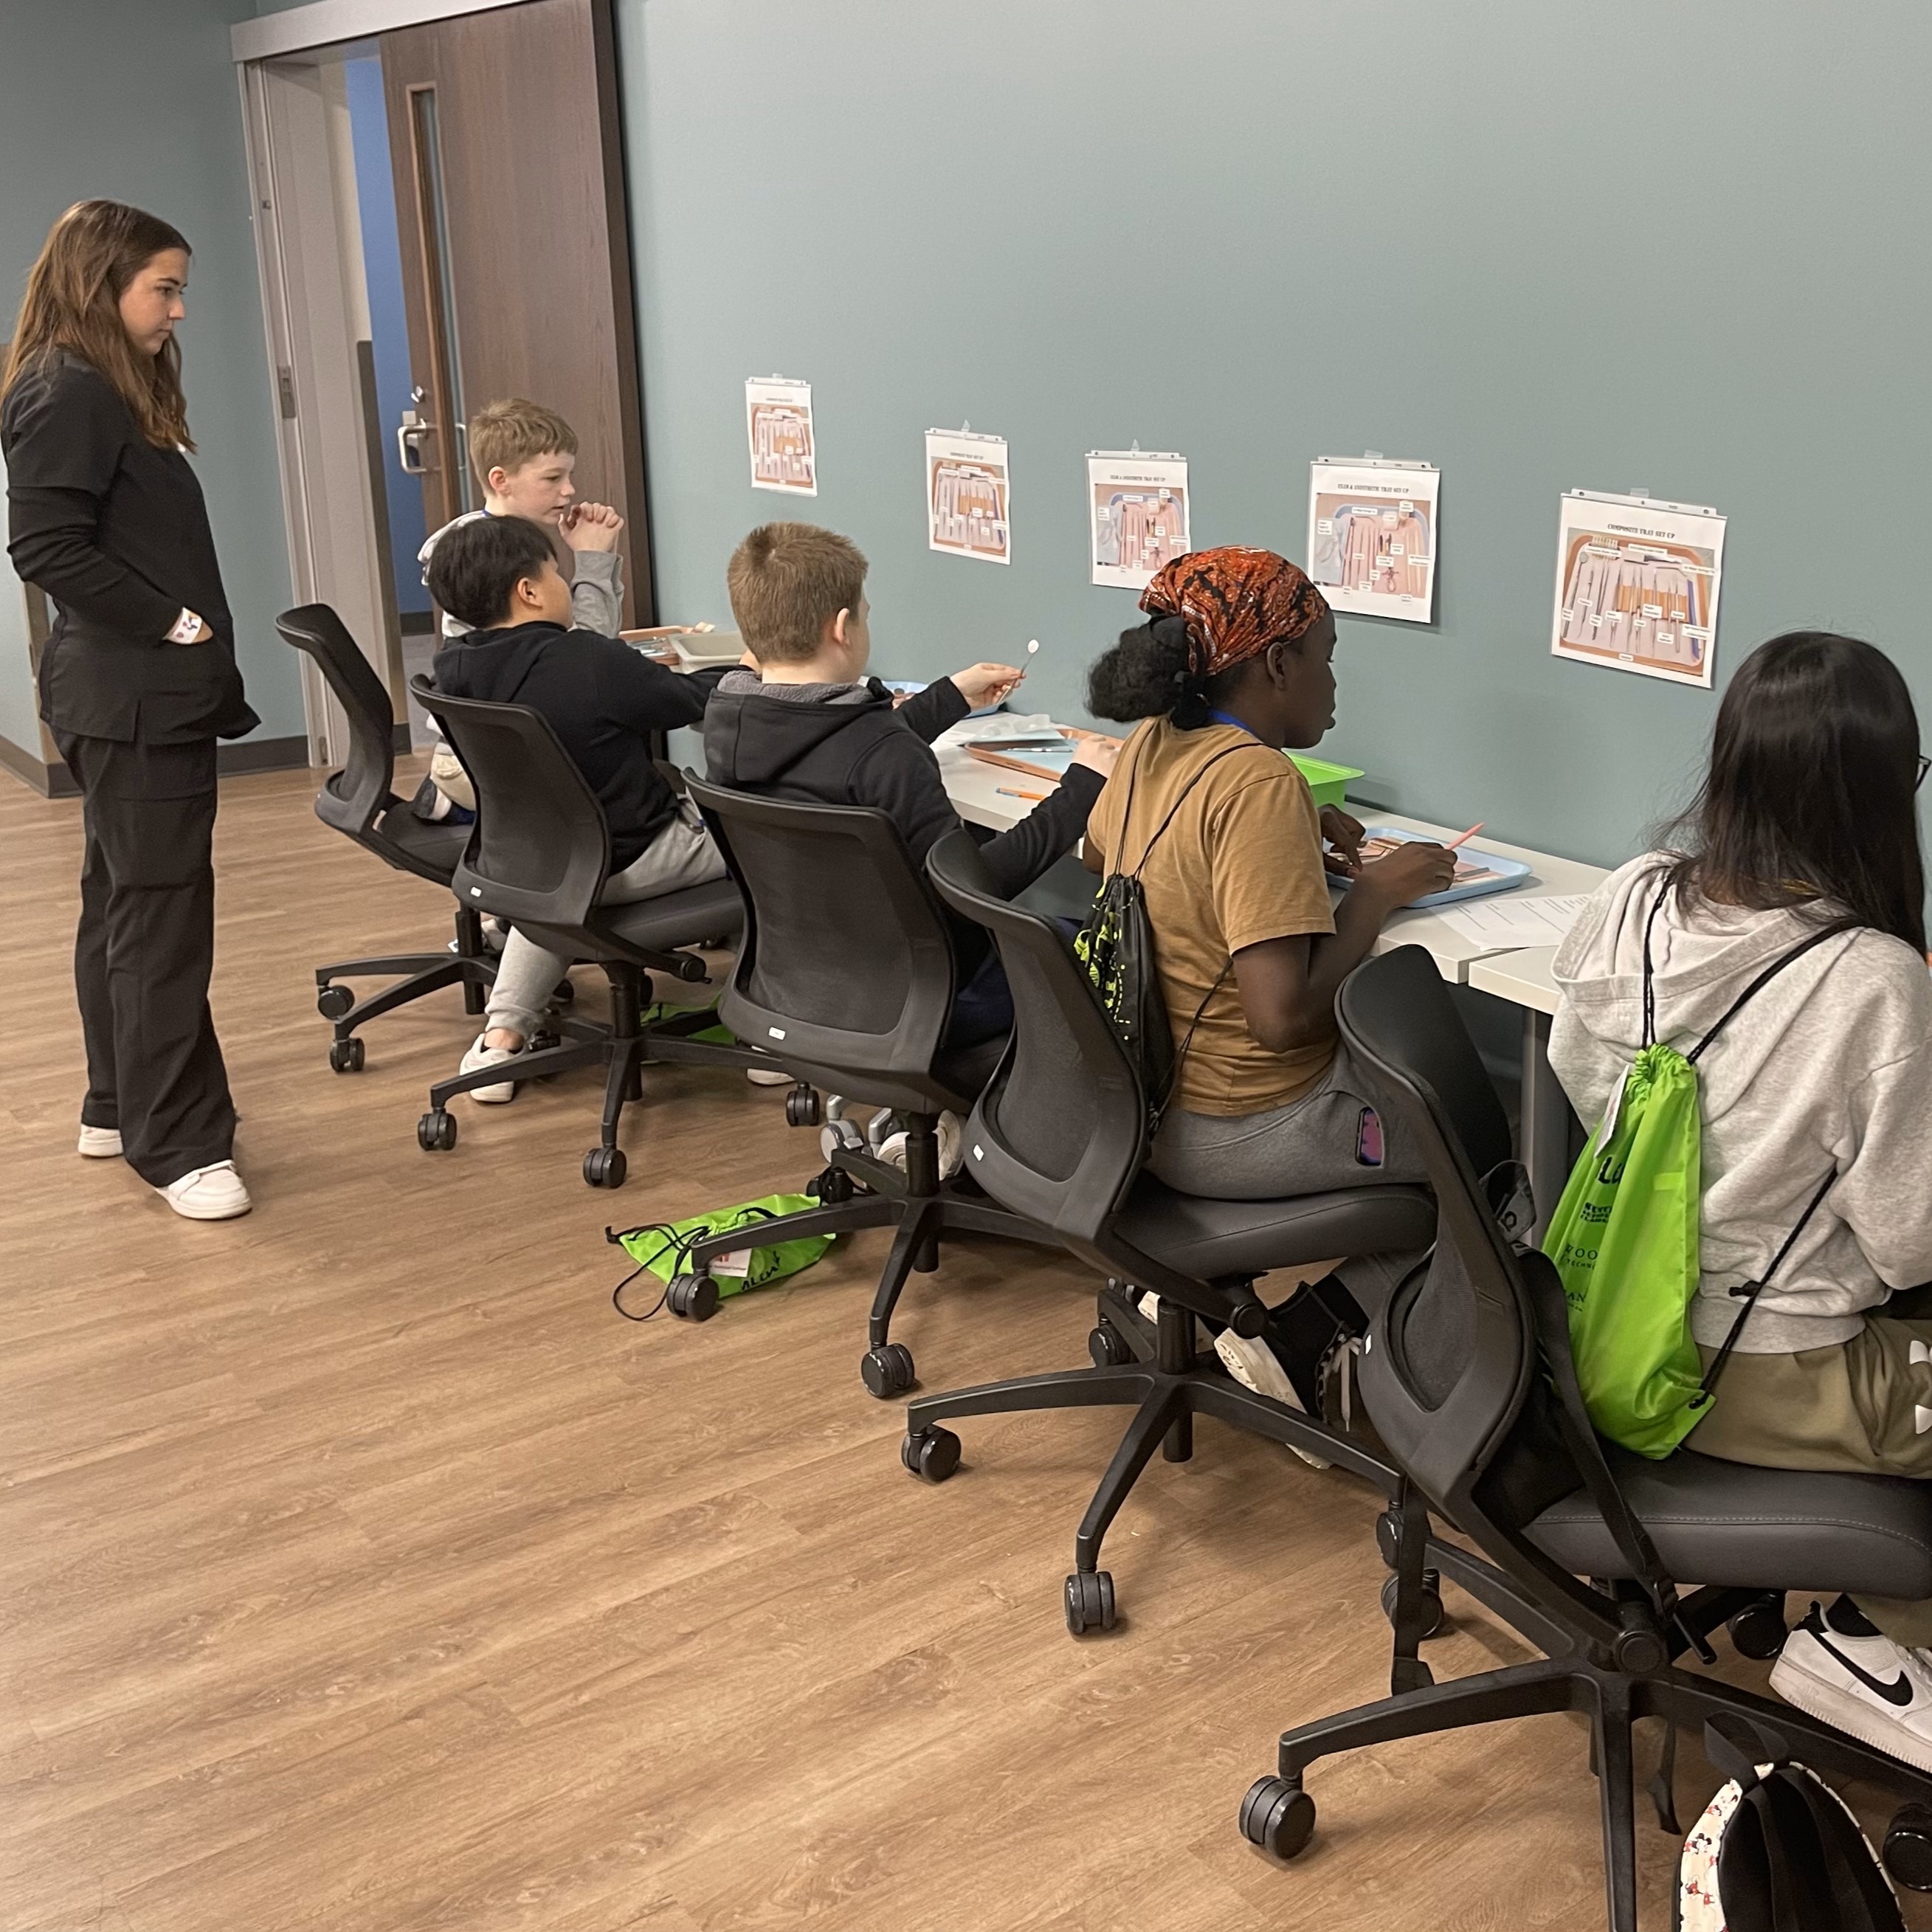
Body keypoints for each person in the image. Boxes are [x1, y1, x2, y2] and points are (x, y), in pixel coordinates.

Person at [1549, 630, 1932, 1768]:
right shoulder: (1872, 979)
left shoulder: (1627, 897)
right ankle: (1877, 1640)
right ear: (1874, 794)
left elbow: (1580, 1081)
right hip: (1764, 1376)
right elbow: (1911, 1244)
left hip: (1599, 1330)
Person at [1083, 548, 1453, 1408]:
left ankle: (1181, 1289)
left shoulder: (1152, 743)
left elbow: (1104, 853)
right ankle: (1301, 1344)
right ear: (1276, 661)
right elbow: (1280, 1018)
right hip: (1239, 1122)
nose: (1331, 681)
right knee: (1476, 1159)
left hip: (1139, 1104)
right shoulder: (1256, 781)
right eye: (1324, 655)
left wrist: (1279, 844)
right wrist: (1374, 895)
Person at [2, 201, 259, 1221]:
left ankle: (118, 1105)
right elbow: (47, 550)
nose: (179, 309)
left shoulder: (90, 383)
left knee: (122, 902)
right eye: (165, 287)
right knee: (160, 919)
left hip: (128, 700)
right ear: (101, 283)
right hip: (137, 695)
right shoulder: (68, 390)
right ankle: (179, 1146)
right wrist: (175, 623)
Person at [704, 521, 1115, 1077]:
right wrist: (1081, 790)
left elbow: (833, 749)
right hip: (923, 999)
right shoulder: (885, 754)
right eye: (866, 613)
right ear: (844, 628)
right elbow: (971, 891)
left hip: (801, 983)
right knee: (1090, 947)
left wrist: (946, 700)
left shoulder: (732, 722)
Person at [427, 515, 728, 1100]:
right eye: (557, 572)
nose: (565, 583)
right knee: (773, 837)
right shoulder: (587, 660)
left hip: (529, 867)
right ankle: (764, 1039)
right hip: (634, 860)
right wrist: (753, 672)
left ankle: (502, 1039)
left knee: (561, 866)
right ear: (530, 591)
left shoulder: (453, 669)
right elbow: (692, 701)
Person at [413, 396, 625, 824]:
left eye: (569, 475)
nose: (569, 490)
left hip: (487, 747)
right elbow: (584, 657)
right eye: (553, 478)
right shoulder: (491, 566)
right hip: (493, 764)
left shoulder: (495, 544)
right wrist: (594, 560)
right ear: (501, 480)